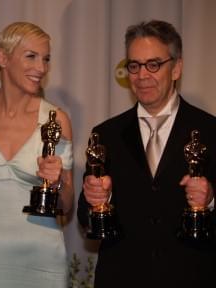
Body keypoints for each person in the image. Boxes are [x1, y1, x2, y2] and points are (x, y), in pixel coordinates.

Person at [77, 20, 216, 288]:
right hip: (121, 278)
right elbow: (86, 219)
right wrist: (96, 200)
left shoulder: (210, 131)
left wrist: (210, 201)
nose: (142, 75)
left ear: (176, 68)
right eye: (134, 65)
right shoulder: (105, 135)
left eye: (153, 64)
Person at [0, 21, 74, 287]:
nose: (41, 68)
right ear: (2, 58)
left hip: (43, 260)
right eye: (31, 56)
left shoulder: (56, 119)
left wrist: (57, 183)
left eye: (46, 59)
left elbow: (67, 205)